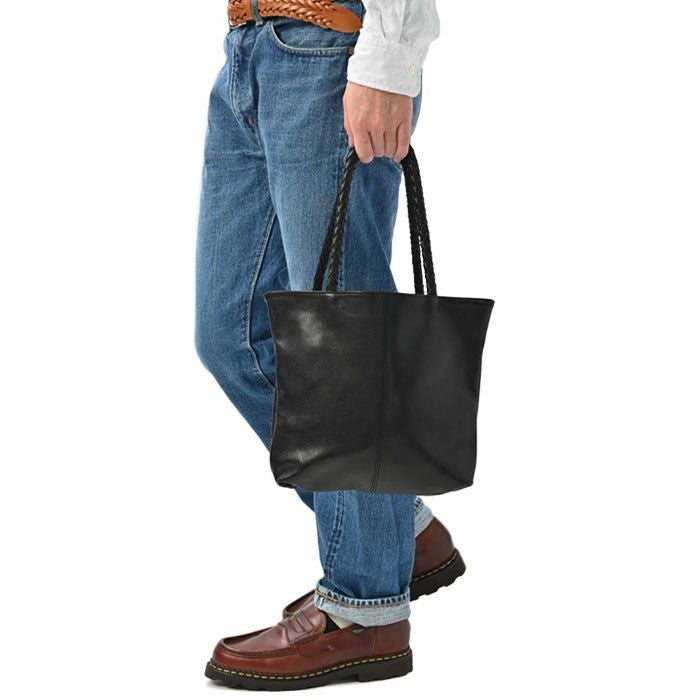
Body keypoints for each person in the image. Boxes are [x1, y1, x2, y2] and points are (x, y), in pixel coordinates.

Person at [195, 0, 459, 690]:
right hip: (248, 45)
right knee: (232, 336)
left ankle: (366, 610)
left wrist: (390, 61)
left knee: (343, 346)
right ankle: (397, 531)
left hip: (331, 47)